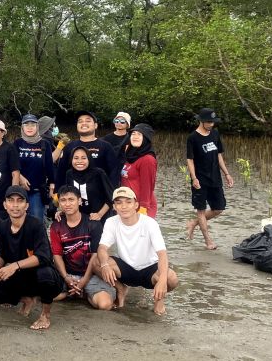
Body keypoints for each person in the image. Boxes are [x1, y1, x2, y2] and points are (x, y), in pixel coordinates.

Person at [0, 186, 63, 331]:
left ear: (27, 205)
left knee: (45, 273)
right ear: (5, 204)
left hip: (45, 278)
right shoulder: (3, 226)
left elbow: (44, 256)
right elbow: (0, 252)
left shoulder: (35, 225)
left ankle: (45, 315)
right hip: (22, 277)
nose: (15, 205)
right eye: (10, 200)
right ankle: (27, 299)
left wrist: (14, 265)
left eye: (20, 201)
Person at [95, 187, 179, 315]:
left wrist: (162, 282)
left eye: (128, 202)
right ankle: (120, 289)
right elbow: (102, 248)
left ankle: (159, 302)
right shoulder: (111, 222)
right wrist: (105, 265)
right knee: (96, 261)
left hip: (149, 270)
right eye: (119, 202)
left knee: (171, 278)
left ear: (136, 205)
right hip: (126, 268)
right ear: (114, 207)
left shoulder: (149, 223)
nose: (124, 206)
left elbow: (162, 254)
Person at [49, 185, 115, 310]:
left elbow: (96, 256)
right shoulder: (56, 226)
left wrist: (84, 281)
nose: (67, 204)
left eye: (71, 199)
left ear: (79, 201)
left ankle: (82, 292)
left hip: (91, 274)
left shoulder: (93, 224)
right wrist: (66, 277)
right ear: (59, 204)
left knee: (105, 305)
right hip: (67, 274)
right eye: (63, 200)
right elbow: (56, 255)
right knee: (46, 297)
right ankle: (73, 292)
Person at [185, 108, 234, 250]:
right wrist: (194, 178)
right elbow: (190, 160)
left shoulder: (215, 134)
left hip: (215, 177)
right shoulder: (193, 138)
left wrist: (227, 174)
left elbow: (219, 155)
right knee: (200, 210)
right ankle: (208, 241)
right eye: (208, 122)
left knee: (219, 208)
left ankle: (194, 223)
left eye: (213, 122)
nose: (211, 124)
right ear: (201, 121)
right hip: (200, 179)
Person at [55, 111, 119, 186]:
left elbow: (114, 173)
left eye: (88, 121)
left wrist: (113, 193)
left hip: (100, 195)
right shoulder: (69, 147)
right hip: (74, 194)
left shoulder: (106, 146)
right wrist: (58, 191)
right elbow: (61, 173)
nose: (83, 123)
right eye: (80, 121)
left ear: (95, 125)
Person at [14, 114, 55, 221]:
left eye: (33, 124)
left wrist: (52, 185)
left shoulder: (44, 143)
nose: (30, 127)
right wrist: (20, 178)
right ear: (22, 127)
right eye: (26, 125)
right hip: (19, 191)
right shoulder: (17, 143)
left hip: (37, 191)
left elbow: (50, 166)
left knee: (37, 223)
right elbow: (12, 165)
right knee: (18, 222)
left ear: (37, 127)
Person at [62, 147, 114, 221]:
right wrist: (62, 210)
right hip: (78, 219)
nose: (79, 161)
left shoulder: (98, 173)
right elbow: (68, 196)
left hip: (97, 219)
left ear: (89, 159)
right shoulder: (69, 174)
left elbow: (110, 197)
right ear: (71, 159)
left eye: (83, 158)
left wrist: (99, 214)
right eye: (76, 158)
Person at [121, 123, 158, 218]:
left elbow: (148, 186)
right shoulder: (129, 155)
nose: (135, 136)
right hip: (128, 204)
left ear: (146, 138)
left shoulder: (147, 159)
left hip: (142, 207)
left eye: (139, 134)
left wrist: (143, 208)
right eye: (133, 134)